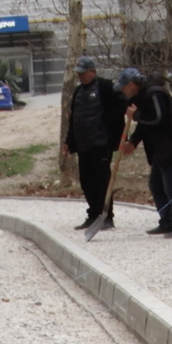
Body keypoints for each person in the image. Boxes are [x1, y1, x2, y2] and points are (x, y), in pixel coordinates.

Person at [117, 67, 172, 239]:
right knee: (156, 184)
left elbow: (157, 118)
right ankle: (166, 221)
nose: (123, 92)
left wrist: (136, 115)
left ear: (131, 84)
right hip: (163, 149)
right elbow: (145, 124)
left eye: (123, 88)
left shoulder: (154, 94)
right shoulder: (142, 96)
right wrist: (133, 141)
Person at [62, 56, 126, 230]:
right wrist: (68, 141)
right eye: (78, 74)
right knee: (86, 181)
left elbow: (122, 105)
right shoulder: (78, 92)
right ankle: (93, 214)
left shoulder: (105, 87)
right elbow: (74, 118)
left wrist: (112, 128)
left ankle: (107, 216)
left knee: (103, 180)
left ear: (93, 72)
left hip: (101, 143)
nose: (80, 77)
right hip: (83, 144)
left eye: (83, 73)